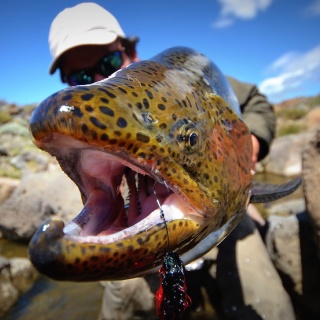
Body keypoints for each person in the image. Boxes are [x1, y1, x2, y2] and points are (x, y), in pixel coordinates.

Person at [48, 3, 295, 320]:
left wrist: (253, 140)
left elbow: (255, 101)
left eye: (108, 61)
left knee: (261, 294)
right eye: (80, 75)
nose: (99, 77)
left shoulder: (184, 80)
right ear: (68, 82)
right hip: (133, 231)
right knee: (120, 295)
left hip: (218, 203)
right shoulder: (84, 136)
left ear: (131, 52)